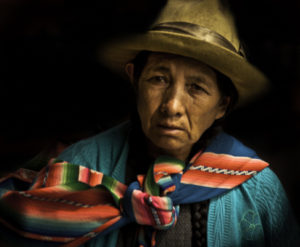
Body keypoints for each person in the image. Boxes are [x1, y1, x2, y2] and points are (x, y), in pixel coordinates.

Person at [0, 0, 299, 246]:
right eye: (159, 79)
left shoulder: (258, 191)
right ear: (134, 78)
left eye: (196, 87)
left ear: (223, 105)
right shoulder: (79, 168)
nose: (172, 106)